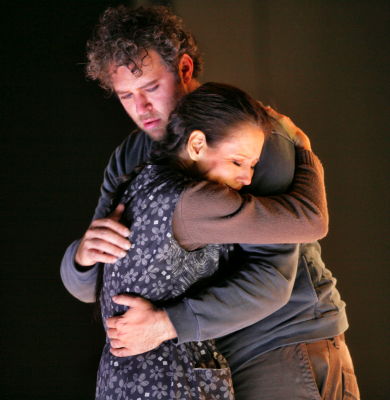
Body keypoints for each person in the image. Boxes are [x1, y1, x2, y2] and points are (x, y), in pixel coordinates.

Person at [60, 5, 359, 399]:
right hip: (204, 356)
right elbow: (93, 285)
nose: (141, 109)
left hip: (282, 342)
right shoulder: (131, 157)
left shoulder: (250, 137)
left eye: (150, 88)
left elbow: (273, 279)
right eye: (125, 96)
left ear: (184, 69)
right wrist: (82, 255)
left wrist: (169, 323)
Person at [95, 81, 321, 400]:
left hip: (122, 383)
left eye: (253, 166)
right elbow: (310, 220)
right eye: (237, 162)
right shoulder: (195, 202)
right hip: (170, 384)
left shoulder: (144, 180)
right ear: (197, 145)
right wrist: (305, 150)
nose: (247, 179)